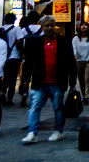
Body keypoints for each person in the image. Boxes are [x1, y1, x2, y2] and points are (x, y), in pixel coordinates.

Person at [21, 15, 76, 144]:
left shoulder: (62, 41)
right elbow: (29, 62)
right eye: (46, 26)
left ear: (54, 26)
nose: (49, 28)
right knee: (35, 107)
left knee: (58, 107)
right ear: (42, 27)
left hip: (57, 82)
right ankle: (32, 132)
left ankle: (58, 130)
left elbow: (70, 62)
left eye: (51, 25)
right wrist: (25, 79)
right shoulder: (37, 42)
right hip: (40, 82)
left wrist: (72, 81)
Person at [18, 11, 44, 107]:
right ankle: (35, 96)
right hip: (38, 57)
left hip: (27, 57)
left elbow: (20, 42)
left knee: (26, 76)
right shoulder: (41, 30)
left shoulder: (24, 29)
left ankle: (25, 91)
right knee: (36, 77)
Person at [0, 12, 22, 106]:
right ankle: (10, 99)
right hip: (14, 56)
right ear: (14, 20)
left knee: (5, 77)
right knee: (12, 79)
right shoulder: (17, 29)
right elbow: (20, 41)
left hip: (3, 57)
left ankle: (2, 92)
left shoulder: (0, 30)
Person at [72, 21, 89, 104]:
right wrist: (74, 56)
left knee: (87, 78)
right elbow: (74, 49)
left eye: (86, 25)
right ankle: (83, 94)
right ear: (79, 28)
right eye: (82, 25)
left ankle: (86, 96)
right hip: (79, 61)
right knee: (81, 79)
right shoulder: (75, 39)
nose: (84, 26)